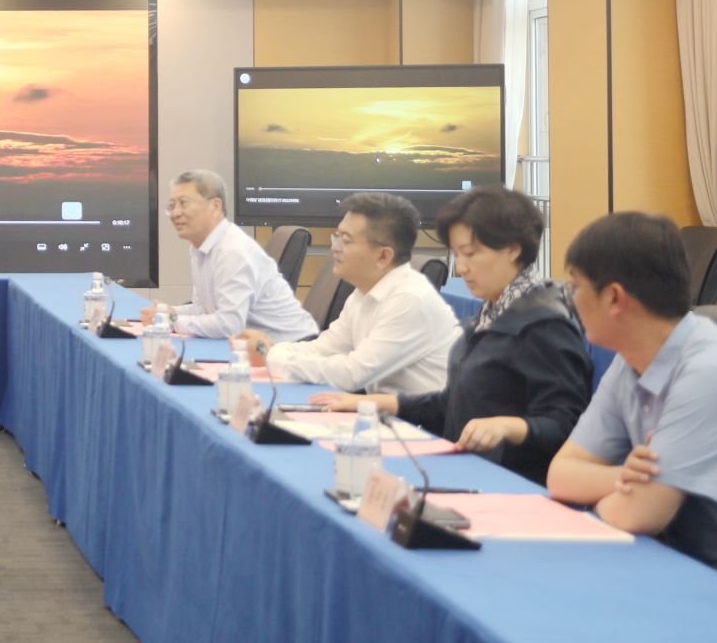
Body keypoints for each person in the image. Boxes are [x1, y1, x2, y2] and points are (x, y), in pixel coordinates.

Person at [548, 212, 717, 603]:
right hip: (706, 579)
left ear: (614, 297)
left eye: (575, 288)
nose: (571, 300)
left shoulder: (713, 374)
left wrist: (615, 488)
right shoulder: (629, 362)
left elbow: (635, 515)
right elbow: (561, 476)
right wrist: (623, 477)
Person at [314, 184, 590, 485]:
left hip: (509, 486)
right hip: (467, 470)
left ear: (513, 249)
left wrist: (507, 426)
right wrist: (380, 403)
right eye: (457, 255)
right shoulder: (494, 312)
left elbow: (567, 425)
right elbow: (455, 404)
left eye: (470, 254)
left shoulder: (544, 324)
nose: (461, 268)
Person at [250, 192, 456, 394]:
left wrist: (270, 355)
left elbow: (352, 374)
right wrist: (272, 351)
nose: (335, 247)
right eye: (337, 237)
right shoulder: (363, 292)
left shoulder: (410, 300)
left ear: (383, 257)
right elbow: (324, 348)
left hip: (417, 416)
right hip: (379, 409)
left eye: (346, 241)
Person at [144, 169, 317, 342]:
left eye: (184, 203)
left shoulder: (232, 251)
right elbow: (204, 309)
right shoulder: (200, 248)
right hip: (255, 345)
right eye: (171, 206)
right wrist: (169, 311)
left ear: (215, 206)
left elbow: (229, 325)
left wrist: (172, 320)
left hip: (292, 346)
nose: (175, 213)